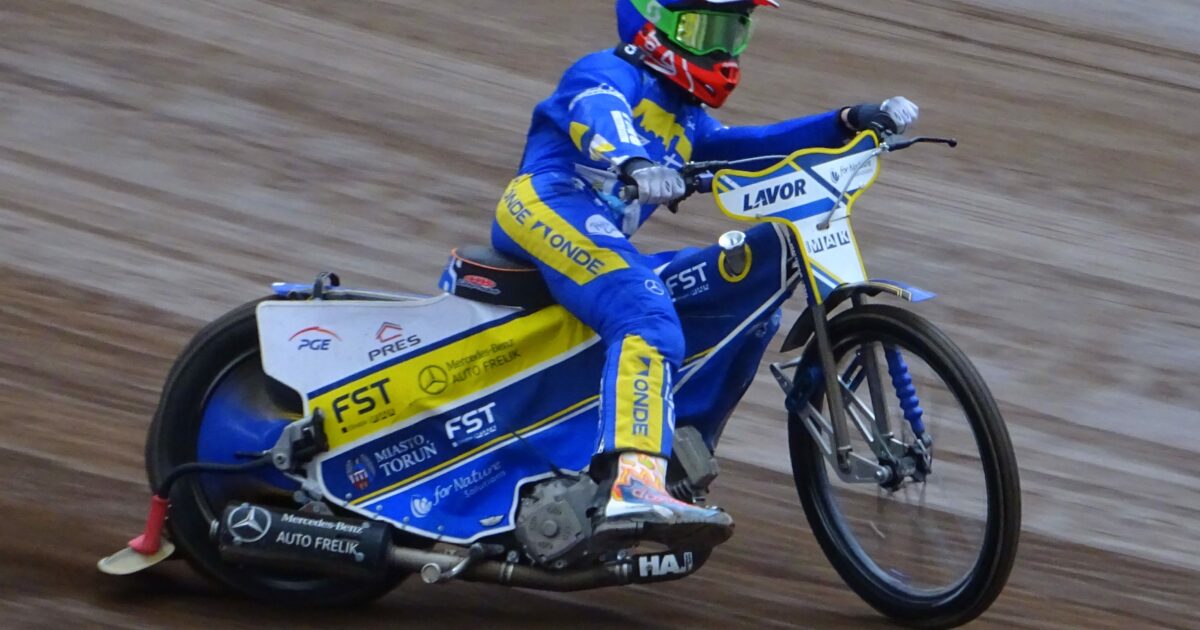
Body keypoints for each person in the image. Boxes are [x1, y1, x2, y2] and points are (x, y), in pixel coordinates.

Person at [491, 0, 919, 546]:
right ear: (652, 25)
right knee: (647, 318)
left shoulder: (686, 117)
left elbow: (752, 147)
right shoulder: (607, 71)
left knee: (749, 300)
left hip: (593, 232)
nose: (720, 50)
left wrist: (846, 123)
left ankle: (678, 461)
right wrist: (633, 161)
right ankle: (634, 481)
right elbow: (598, 111)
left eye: (732, 34)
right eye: (703, 31)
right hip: (544, 204)